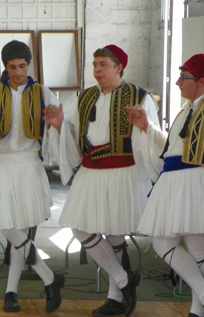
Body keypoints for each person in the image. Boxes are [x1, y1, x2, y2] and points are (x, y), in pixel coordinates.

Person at [47, 44, 161, 317]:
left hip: (124, 172)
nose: (97, 70)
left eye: (103, 65)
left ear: (119, 67)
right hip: (91, 171)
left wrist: (143, 127)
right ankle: (124, 279)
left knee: (115, 233)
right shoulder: (85, 97)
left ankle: (115, 297)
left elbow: (152, 136)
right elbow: (73, 134)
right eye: (95, 65)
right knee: (80, 229)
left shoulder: (139, 96)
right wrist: (60, 125)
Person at [127, 53, 204, 317]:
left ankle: (198, 308)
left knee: (194, 248)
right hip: (175, 182)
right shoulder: (185, 110)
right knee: (164, 243)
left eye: (184, 78)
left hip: (197, 183)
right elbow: (173, 149)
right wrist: (147, 127)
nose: (179, 83)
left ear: (201, 81)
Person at [0, 40, 65, 313]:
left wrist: (55, 123)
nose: (17, 72)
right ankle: (49, 277)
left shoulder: (43, 92)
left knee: (18, 231)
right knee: (7, 227)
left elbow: (60, 129)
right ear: (5, 67)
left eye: (22, 66)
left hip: (28, 164)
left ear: (29, 64)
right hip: (0, 165)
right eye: (12, 67)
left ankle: (11, 292)